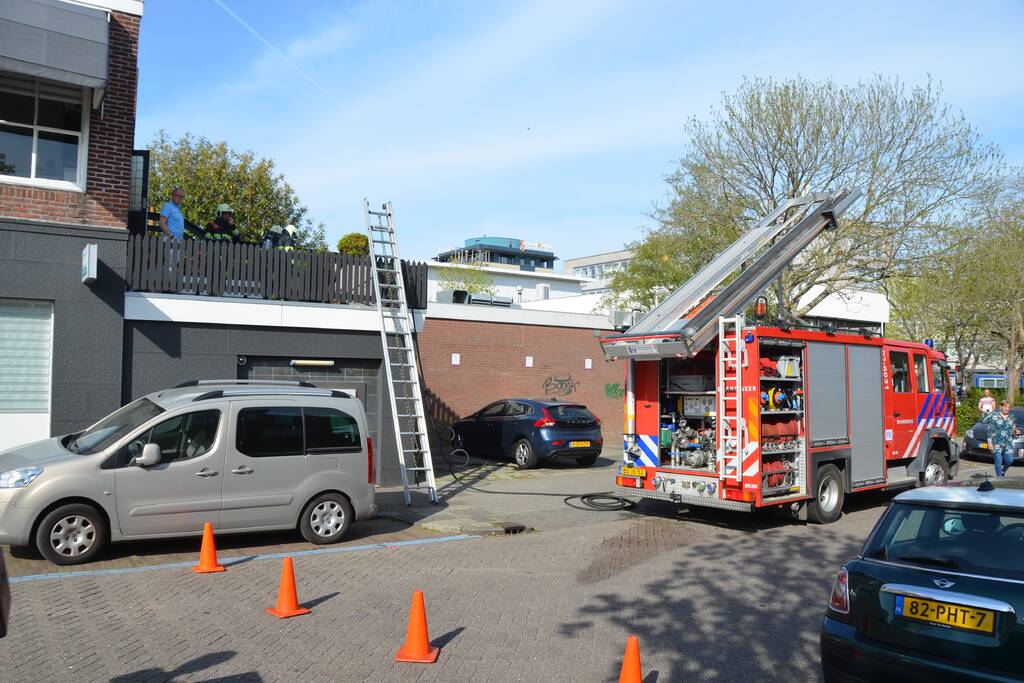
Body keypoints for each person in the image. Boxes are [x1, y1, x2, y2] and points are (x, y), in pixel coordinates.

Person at [982, 400, 1018, 477]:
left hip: (1008, 442)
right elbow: (989, 430)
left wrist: (1016, 431)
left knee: (1010, 460)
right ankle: (999, 477)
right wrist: (989, 442)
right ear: (1000, 407)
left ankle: (1002, 471)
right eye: (1005, 406)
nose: (1006, 408)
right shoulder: (994, 416)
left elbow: (1013, 428)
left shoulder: (1011, 416)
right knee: (998, 460)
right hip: (996, 442)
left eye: (1008, 407)